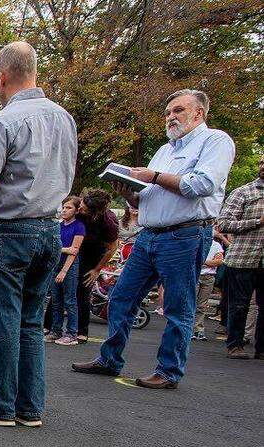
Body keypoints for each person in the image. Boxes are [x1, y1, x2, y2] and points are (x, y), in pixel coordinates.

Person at [74, 88, 235, 388]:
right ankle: (110, 359)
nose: (171, 117)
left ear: (199, 113)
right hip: (149, 235)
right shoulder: (165, 151)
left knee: (178, 306)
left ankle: (169, 370)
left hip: (185, 234)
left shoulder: (215, 141)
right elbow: (148, 197)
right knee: (121, 296)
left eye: (178, 110)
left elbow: (202, 184)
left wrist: (154, 177)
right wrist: (131, 194)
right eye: (168, 113)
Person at [0, 41, 76, 426]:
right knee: (30, 320)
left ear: (2, 77)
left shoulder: (3, 122)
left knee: (2, 320)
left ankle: (1, 405)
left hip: (10, 230)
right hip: (50, 229)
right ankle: (30, 407)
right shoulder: (64, 119)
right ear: (35, 73)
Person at [215, 155, 264, 359]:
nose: (263, 167)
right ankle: (235, 345)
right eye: (262, 163)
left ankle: (261, 349)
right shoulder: (244, 192)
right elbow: (223, 224)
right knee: (239, 304)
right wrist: (256, 221)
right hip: (243, 259)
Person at [73, 189, 118, 342]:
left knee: (83, 291)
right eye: (82, 203)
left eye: (84, 207)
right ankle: (50, 326)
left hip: (94, 251)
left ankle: (82, 331)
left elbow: (112, 248)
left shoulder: (108, 222)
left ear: (94, 212)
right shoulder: (77, 209)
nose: (81, 207)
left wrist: (97, 269)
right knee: (61, 286)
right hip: (75, 247)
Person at [46, 195, 85, 346]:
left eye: (68, 207)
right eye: (63, 207)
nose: (64, 210)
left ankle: (72, 333)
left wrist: (64, 271)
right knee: (56, 301)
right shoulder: (59, 225)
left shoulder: (79, 226)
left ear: (76, 210)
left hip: (69, 266)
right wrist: (65, 249)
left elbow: (74, 251)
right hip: (56, 263)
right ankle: (55, 330)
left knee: (70, 300)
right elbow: (53, 247)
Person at [193, 238, 223, 341]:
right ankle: (188, 329)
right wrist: (210, 262)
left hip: (209, 277)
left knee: (202, 305)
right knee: (191, 303)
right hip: (195, 275)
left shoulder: (216, 245)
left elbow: (219, 261)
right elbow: (192, 259)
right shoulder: (196, 241)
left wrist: (203, 262)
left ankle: (198, 330)